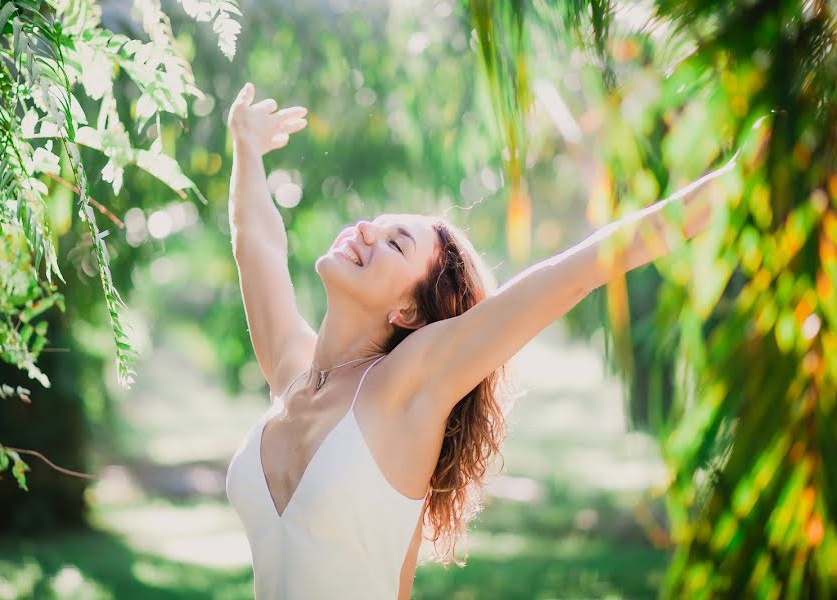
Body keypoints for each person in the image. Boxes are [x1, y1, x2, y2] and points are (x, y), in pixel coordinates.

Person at [224, 81, 734, 600]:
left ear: (408, 311)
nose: (366, 231)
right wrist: (246, 146)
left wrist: (732, 182)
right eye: (376, 223)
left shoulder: (411, 381)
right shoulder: (292, 373)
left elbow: (574, 273)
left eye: (395, 242)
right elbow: (256, 244)